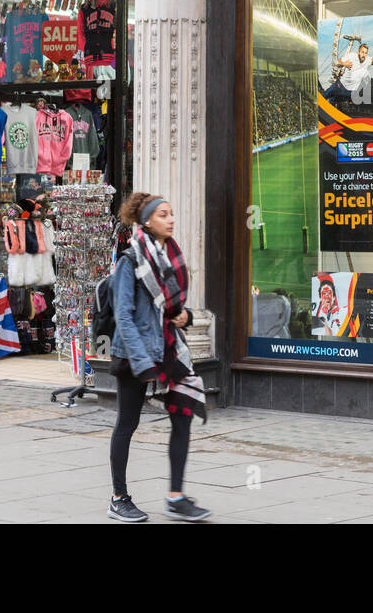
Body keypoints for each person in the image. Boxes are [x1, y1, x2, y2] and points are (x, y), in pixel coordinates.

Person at [107, 192, 210, 523]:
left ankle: (175, 498)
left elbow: (170, 307)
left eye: (172, 213)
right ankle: (119, 498)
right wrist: (142, 363)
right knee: (127, 423)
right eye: (163, 214)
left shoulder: (171, 256)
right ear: (147, 221)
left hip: (168, 349)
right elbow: (123, 316)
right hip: (135, 354)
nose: (171, 219)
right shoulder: (129, 260)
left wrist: (186, 316)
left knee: (183, 415)